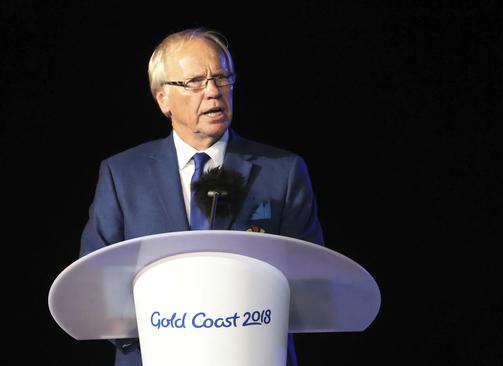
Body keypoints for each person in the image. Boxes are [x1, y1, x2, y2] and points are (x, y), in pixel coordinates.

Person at [80, 28, 324, 366]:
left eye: (222, 78)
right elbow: (96, 283)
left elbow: (310, 279)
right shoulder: (122, 175)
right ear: (162, 98)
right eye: (194, 81)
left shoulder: (282, 172)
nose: (213, 92)